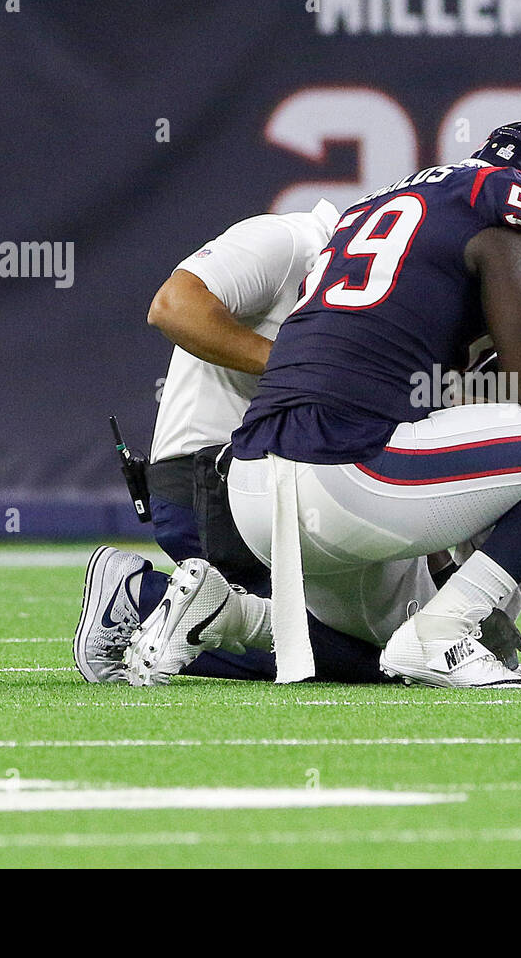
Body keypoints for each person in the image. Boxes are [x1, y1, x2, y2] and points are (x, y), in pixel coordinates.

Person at [124, 122, 521, 689]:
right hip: (346, 473)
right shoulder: (503, 214)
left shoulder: (373, 213)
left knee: (379, 660)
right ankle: (446, 632)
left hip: (252, 489)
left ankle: (227, 612)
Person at [74, 200, 393, 685]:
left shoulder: (353, 272)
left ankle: (155, 609)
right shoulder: (291, 241)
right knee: (364, 660)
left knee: (381, 651)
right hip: (211, 482)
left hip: (264, 481)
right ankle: (139, 600)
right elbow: (172, 307)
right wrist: (298, 369)